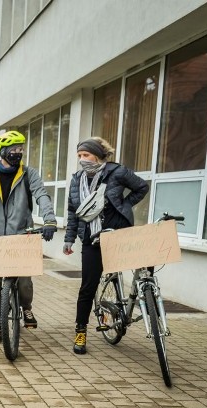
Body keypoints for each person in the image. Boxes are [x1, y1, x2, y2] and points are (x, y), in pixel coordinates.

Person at [0, 130, 57, 345]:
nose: (19, 153)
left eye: (21, 149)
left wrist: (50, 220)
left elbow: (41, 195)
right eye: (14, 149)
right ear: (4, 151)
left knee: (25, 280)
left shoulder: (29, 174)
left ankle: (26, 308)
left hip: (22, 234)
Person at [64, 137, 149, 354]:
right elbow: (73, 211)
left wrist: (124, 205)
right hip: (91, 238)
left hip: (118, 234)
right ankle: (80, 331)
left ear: (98, 156)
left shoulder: (117, 172)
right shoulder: (77, 179)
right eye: (80, 156)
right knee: (87, 287)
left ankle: (131, 312)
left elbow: (141, 187)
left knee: (143, 272)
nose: (82, 160)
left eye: (86, 155)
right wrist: (69, 238)